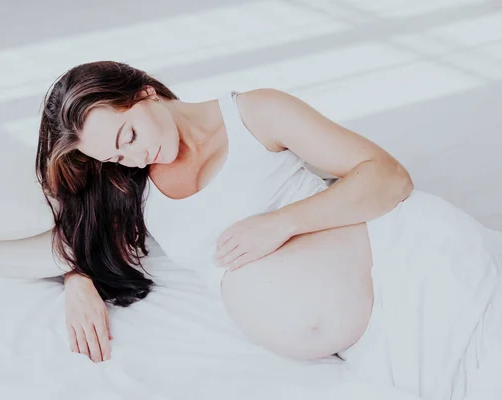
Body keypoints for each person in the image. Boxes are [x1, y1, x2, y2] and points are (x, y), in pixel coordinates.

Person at [36, 61, 502, 399]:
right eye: (116, 157)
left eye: (130, 137)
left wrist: (282, 224)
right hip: (374, 339)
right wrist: (79, 280)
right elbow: (74, 228)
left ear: (145, 93)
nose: (134, 158)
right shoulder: (129, 184)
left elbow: (389, 177)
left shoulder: (254, 115)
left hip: (412, 264)